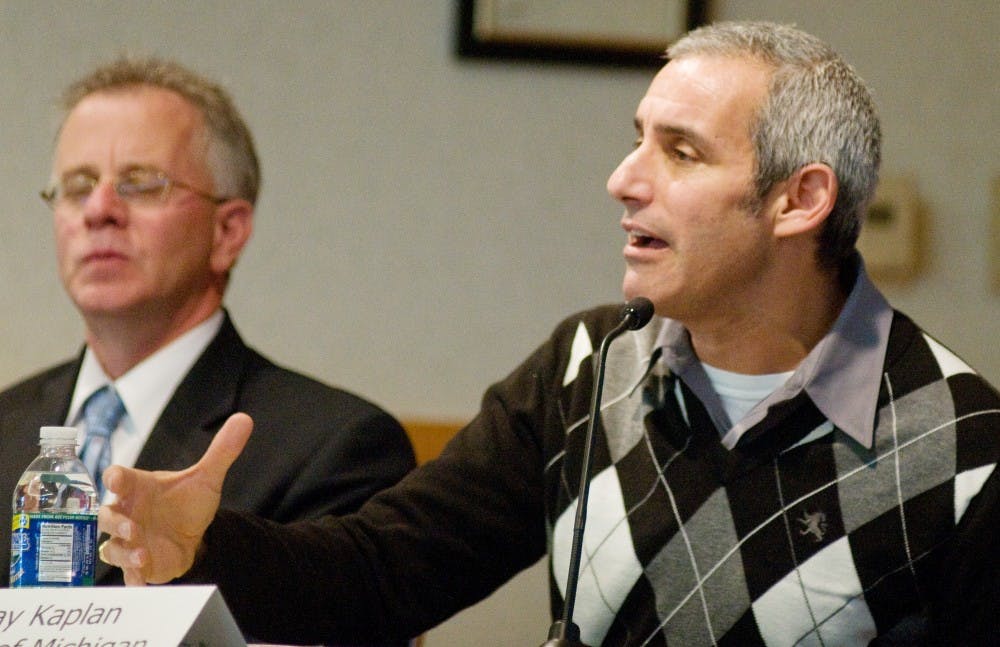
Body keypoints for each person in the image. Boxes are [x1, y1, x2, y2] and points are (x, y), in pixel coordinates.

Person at [97, 22, 998, 646]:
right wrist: (205, 548)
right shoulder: (588, 366)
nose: (622, 179)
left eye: (680, 152)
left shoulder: (967, 454)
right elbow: (385, 571)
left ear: (800, 199)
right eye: (636, 139)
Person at [0, 56, 416, 587]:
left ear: (227, 232)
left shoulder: (335, 449)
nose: (98, 210)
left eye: (142, 184)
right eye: (78, 186)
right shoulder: (7, 425)